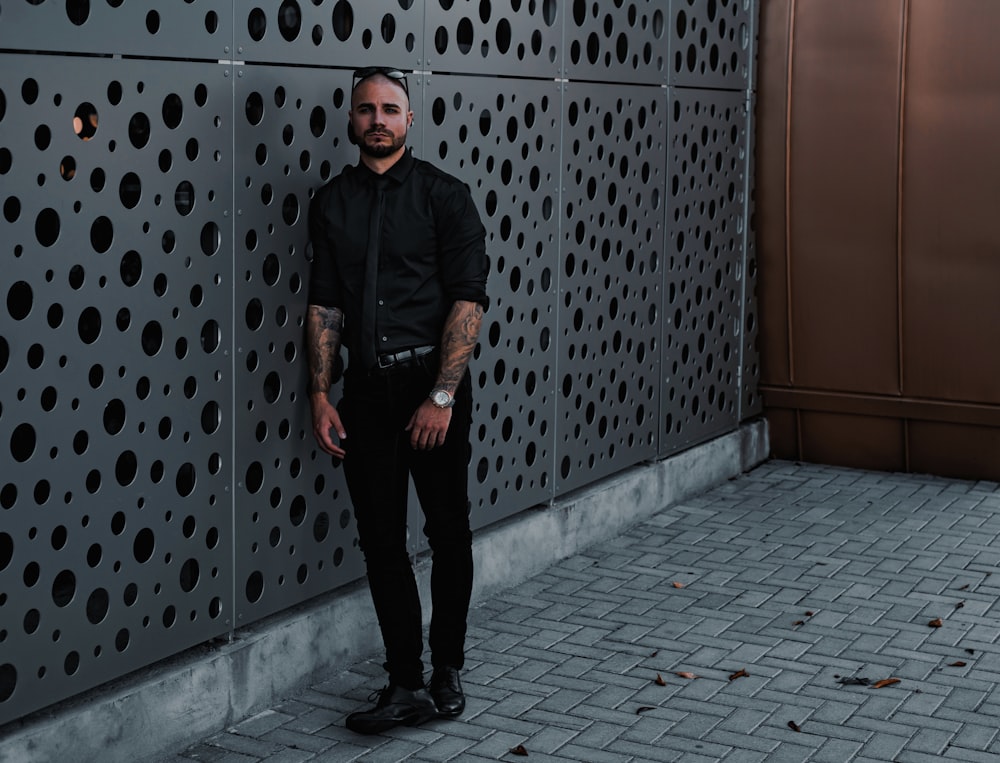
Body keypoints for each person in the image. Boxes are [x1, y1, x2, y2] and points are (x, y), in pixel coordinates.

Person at [306, 66, 489, 735]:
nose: (377, 119)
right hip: (367, 394)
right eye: (365, 109)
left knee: (447, 531)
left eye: (389, 108)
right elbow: (323, 305)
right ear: (350, 120)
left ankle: (447, 666)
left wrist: (442, 393)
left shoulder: (447, 197)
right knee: (381, 540)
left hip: (432, 386)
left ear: (409, 119)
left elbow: (467, 300)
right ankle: (405, 681)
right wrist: (322, 393)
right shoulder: (331, 203)